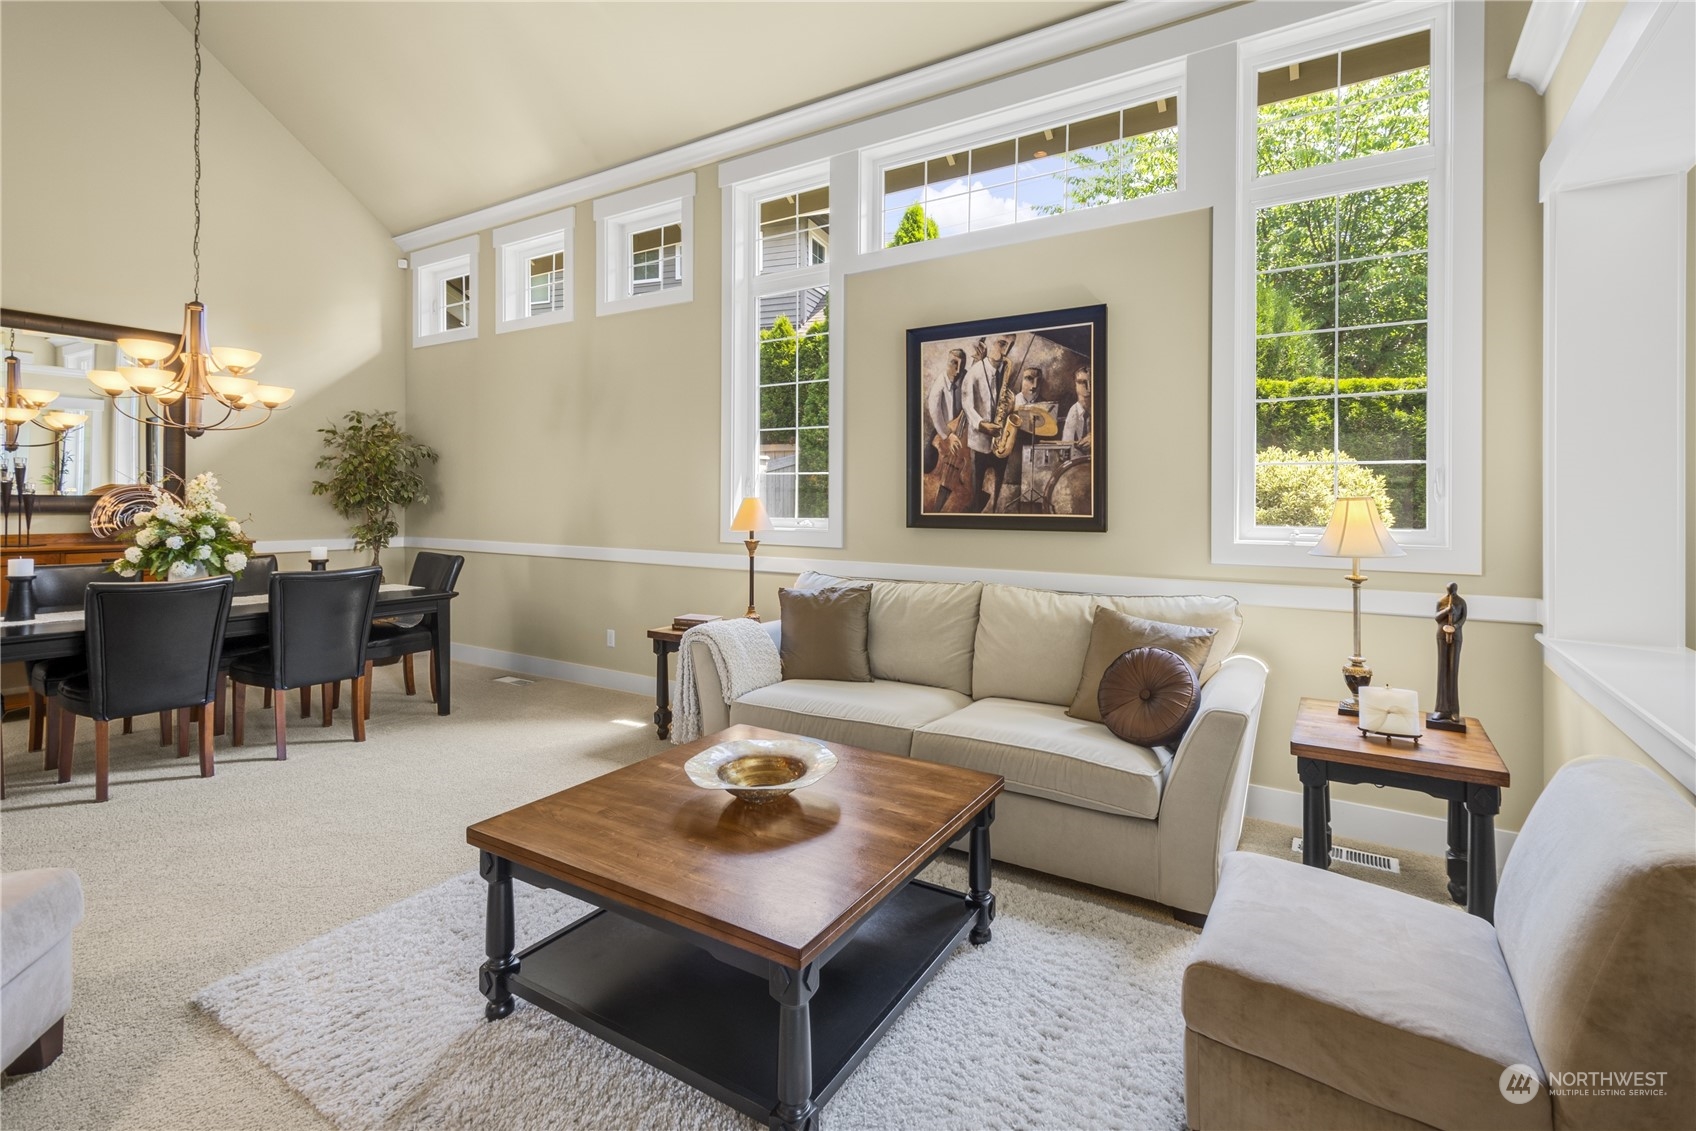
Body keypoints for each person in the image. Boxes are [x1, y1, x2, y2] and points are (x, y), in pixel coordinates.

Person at [964, 335, 1017, 511]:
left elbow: (1001, 403)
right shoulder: (975, 372)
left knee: (999, 488)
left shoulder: (1005, 371)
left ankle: (995, 514)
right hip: (980, 443)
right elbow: (967, 405)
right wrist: (981, 424)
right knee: (976, 490)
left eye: (1010, 346)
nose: (1005, 351)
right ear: (988, 342)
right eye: (1002, 344)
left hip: (1000, 441)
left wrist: (1010, 407)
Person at [923, 348, 969, 509]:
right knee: (928, 461)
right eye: (953, 364)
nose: (957, 370)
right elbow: (934, 411)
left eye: (961, 366)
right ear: (947, 362)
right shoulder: (940, 382)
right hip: (942, 430)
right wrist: (947, 435)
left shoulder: (966, 377)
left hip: (963, 432)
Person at [1431, 582, 1468, 725]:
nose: (1451, 592)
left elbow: (1464, 617)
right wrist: (1447, 610)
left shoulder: (1461, 602)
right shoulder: (1441, 601)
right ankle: (1441, 709)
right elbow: (1436, 617)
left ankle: (1454, 710)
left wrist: (1456, 626)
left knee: (1453, 670)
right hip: (1442, 634)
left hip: (1456, 635)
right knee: (1442, 670)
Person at [1062, 366, 1092, 449]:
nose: (1088, 387)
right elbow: (1066, 444)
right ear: (1075, 385)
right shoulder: (1073, 411)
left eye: (1091, 382)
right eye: (1082, 382)